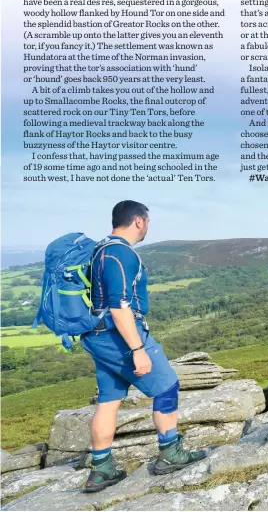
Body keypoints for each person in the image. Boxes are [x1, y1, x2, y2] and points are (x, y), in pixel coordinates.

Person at [81, 200, 205, 493]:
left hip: (97, 336)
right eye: (147, 221)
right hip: (120, 336)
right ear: (138, 221)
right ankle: (171, 453)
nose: (148, 226)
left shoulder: (99, 250)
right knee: (166, 387)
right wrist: (137, 349)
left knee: (109, 400)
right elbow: (120, 305)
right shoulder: (121, 253)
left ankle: (101, 470)